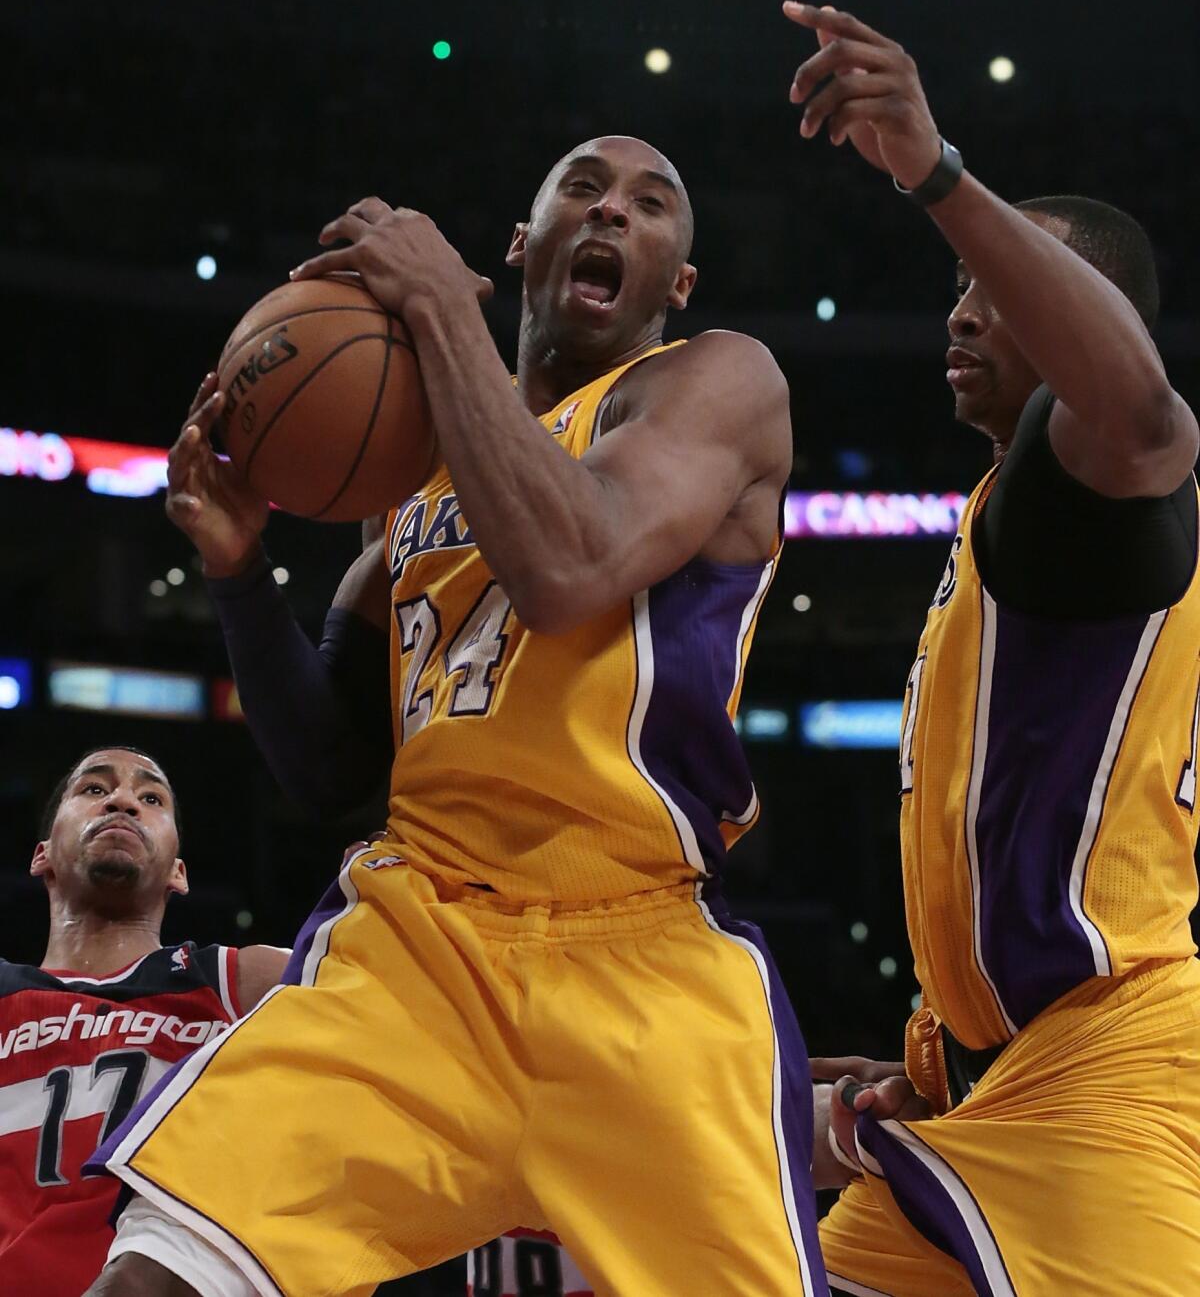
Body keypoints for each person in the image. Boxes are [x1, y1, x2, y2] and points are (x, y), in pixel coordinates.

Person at [85, 134, 827, 1297]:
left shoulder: (716, 383)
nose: (614, 213)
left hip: (644, 962)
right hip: (420, 943)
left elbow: (575, 566)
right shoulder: (415, 485)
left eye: (651, 204)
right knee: (149, 1277)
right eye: (582, 189)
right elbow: (334, 772)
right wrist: (236, 568)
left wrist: (437, 310)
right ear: (524, 246)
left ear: (678, 281)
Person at [782, 0, 1200, 1297]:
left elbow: (1134, 410)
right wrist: (935, 1058)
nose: (963, 312)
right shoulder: (1004, 519)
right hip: (1000, 1081)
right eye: (960, 287)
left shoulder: (1104, 484)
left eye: (997, 286)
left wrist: (940, 176)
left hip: (1118, 1075)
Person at [0, 746, 287, 1296]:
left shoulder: (237, 983)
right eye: (94, 789)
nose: (123, 801)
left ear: (178, 873)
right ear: (43, 856)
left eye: (150, 797)